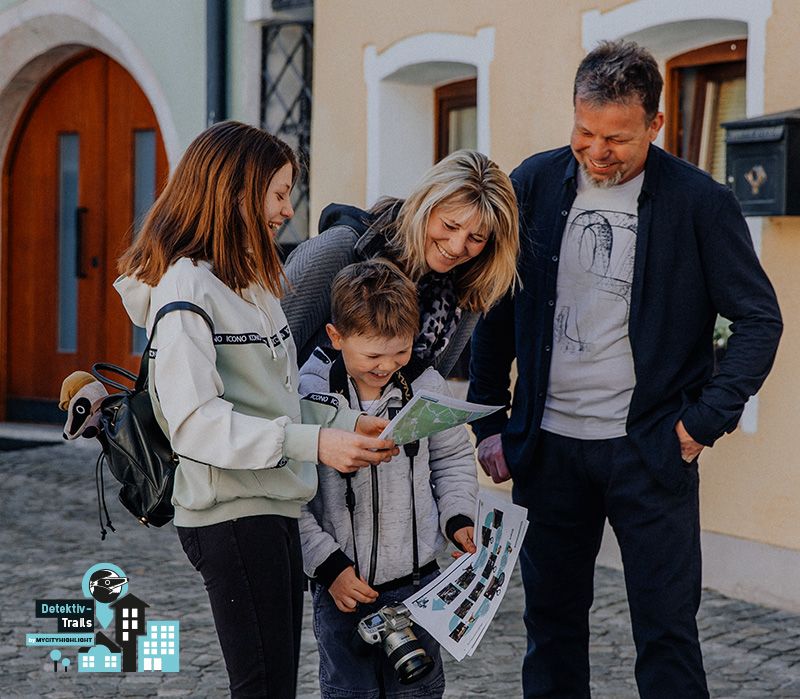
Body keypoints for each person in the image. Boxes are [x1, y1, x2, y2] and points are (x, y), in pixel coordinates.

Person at [468, 41, 782, 699]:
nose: (597, 151)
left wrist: (703, 422)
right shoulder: (532, 183)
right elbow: (494, 305)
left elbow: (759, 319)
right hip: (548, 451)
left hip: (651, 452)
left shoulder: (700, 202)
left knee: (667, 637)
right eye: (584, 132)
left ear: (655, 124)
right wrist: (490, 420)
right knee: (550, 630)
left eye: (617, 138)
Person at [114, 121, 397, 699]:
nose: (288, 210)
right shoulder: (186, 290)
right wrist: (316, 444)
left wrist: (346, 425)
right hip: (231, 517)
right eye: (278, 193)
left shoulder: (251, 283)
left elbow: (275, 403)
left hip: (272, 507)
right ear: (235, 191)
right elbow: (196, 425)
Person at [298, 259, 479, 698]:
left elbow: (453, 458)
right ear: (336, 336)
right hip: (343, 588)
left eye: (400, 352)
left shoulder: (426, 385)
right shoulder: (307, 393)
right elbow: (291, 496)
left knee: (419, 691)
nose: (386, 366)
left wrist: (458, 517)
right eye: (372, 356)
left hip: (420, 585)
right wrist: (327, 566)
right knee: (350, 692)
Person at [281, 149, 519, 379]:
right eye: (449, 225)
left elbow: (431, 384)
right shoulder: (339, 249)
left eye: (476, 238)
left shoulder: (467, 288)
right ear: (425, 206)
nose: (457, 247)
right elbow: (269, 353)